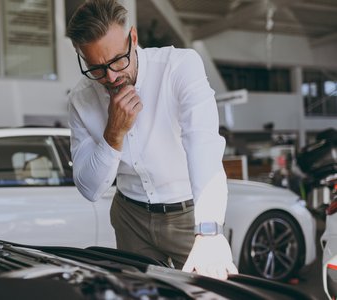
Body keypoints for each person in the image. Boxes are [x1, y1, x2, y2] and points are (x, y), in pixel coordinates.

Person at [66, 0, 237, 279]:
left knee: (209, 291)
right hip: (129, 217)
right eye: (96, 68)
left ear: (133, 38)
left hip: (188, 214)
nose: (111, 77)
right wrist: (113, 134)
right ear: (80, 55)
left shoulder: (179, 66)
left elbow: (203, 146)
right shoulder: (81, 99)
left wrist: (209, 230)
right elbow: (89, 189)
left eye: (118, 60)